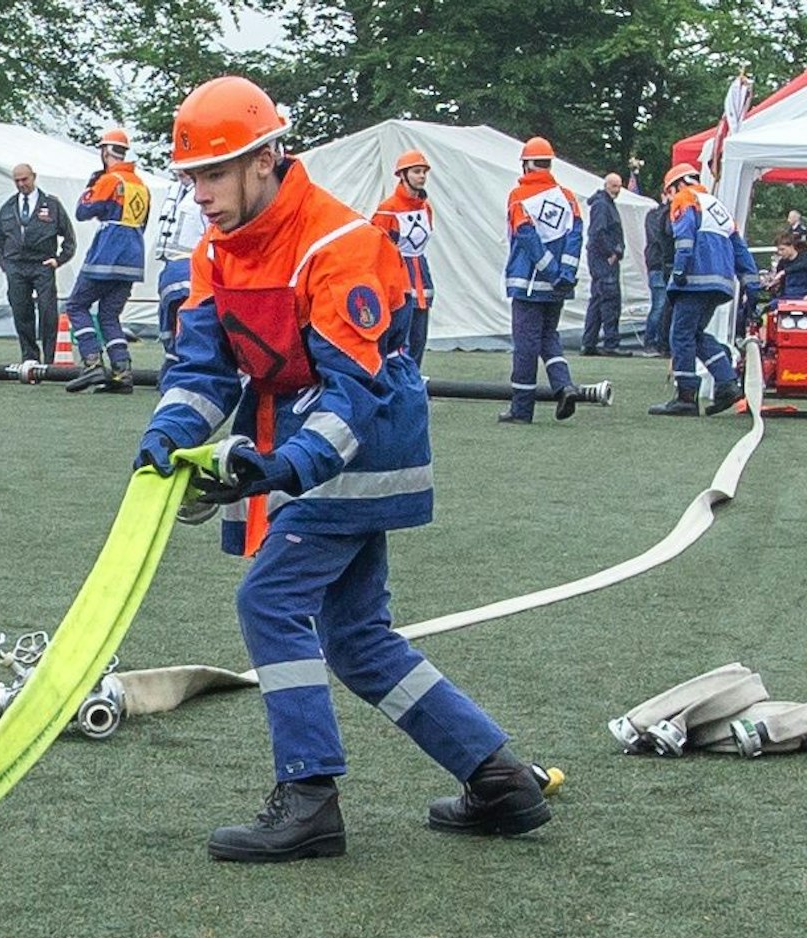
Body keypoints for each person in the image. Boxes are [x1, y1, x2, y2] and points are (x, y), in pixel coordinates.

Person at [133, 75, 551, 863]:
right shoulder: (215, 253)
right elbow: (202, 370)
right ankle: (499, 778)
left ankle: (310, 796)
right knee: (357, 638)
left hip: (361, 447)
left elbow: (352, 391)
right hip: (312, 438)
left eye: (214, 174)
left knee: (270, 599)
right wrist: (167, 434)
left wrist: (287, 466)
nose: (200, 195)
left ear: (267, 159)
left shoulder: (338, 240)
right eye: (191, 178)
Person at [649, 163, 759, 417]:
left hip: (694, 279)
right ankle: (727, 383)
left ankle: (686, 397)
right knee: (695, 334)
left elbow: (684, 238)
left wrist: (679, 270)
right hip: (720, 283)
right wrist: (752, 284)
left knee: (680, 335)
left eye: (669, 192)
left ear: (676, 186)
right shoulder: (717, 206)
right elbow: (739, 249)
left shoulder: (685, 199)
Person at [499, 136, 583, 423]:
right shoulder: (567, 196)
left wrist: (548, 270)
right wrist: (565, 275)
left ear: (526, 165)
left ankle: (521, 410)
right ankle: (564, 386)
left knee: (525, 345)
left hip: (529, 284)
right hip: (559, 286)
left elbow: (526, 237)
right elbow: (576, 237)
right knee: (549, 338)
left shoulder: (518, 197)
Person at [64, 127, 150, 394]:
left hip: (107, 253)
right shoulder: (140, 185)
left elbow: (83, 211)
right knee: (110, 315)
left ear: (104, 152)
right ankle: (122, 372)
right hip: (133, 257)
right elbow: (142, 223)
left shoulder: (110, 180)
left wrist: (91, 187)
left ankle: (91, 363)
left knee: (76, 305)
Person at [0, 164, 75, 365]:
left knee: (48, 312)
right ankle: (30, 358)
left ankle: (50, 360)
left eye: (24, 179)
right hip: (16, 268)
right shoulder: (8, 208)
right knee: (21, 312)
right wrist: (6, 266)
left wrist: (59, 260)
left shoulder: (52, 205)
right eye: (17, 181)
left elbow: (69, 239)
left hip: (42, 265)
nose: (21, 184)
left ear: (34, 177)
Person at [370, 149, 436, 365]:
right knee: (399, 345)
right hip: (398, 280)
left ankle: (414, 388)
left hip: (422, 281)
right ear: (403, 175)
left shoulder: (426, 208)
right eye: (417, 171)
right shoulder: (387, 210)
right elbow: (376, 249)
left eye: (424, 172)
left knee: (418, 342)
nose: (422, 176)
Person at [152, 170, 207, 385]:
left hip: (189, 266)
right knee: (175, 319)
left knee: (184, 319)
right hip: (177, 266)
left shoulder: (196, 194)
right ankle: (177, 364)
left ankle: (178, 365)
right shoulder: (176, 191)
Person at [581, 172, 626, 356]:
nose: (618, 190)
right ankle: (610, 343)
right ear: (607, 186)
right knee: (610, 300)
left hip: (599, 258)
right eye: (615, 186)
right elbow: (598, 232)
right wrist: (612, 252)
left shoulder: (603, 204)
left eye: (619, 186)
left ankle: (589, 342)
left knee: (598, 300)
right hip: (604, 259)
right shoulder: (602, 205)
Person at [641, 184, 672, 355]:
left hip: (662, 264)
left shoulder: (665, 214)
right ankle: (650, 342)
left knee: (665, 306)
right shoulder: (654, 215)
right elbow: (659, 238)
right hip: (658, 264)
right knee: (659, 305)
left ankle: (662, 342)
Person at [767, 231, 807, 302]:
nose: (780, 253)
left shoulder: (804, 258)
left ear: (791, 246)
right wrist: (774, 283)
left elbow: (804, 265)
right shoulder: (782, 263)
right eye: (778, 250)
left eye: (782, 249)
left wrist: (784, 272)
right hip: (787, 296)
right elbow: (780, 281)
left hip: (805, 295)